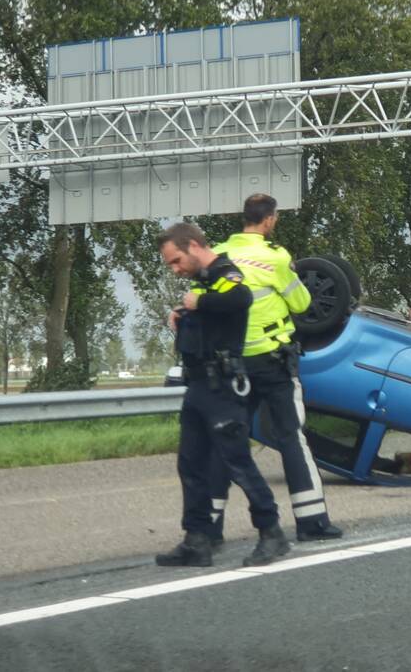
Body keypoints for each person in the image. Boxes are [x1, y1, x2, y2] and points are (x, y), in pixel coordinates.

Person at [207, 193, 343, 544]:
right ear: (269, 220)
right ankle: (312, 521)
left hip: (231, 365)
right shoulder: (275, 258)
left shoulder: (219, 254)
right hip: (272, 363)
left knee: (226, 441)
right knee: (291, 439)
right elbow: (303, 301)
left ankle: (206, 526)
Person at [155, 222, 290, 567]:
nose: (175, 269)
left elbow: (239, 298)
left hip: (222, 387)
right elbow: (210, 315)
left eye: (176, 261)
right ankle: (197, 540)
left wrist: (197, 301)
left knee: (238, 463)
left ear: (195, 247)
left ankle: (271, 533)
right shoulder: (204, 282)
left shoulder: (227, 273)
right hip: (198, 386)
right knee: (190, 464)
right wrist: (185, 311)